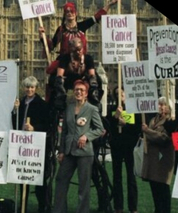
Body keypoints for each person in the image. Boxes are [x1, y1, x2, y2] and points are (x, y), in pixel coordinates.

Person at [53, 79, 104, 213]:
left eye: (82, 90)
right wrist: (61, 150)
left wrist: (86, 136)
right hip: (69, 151)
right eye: (77, 90)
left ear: (86, 93)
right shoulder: (68, 108)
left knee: (84, 185)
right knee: (60, 180)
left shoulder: (92, 109)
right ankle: (59, 210)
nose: (79, 92)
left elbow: (100, 129)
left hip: (84, 153)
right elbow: (64, 132)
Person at [39, 0, 119, 64]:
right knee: (53, 78)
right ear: (64, 14)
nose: (70, 14)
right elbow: (52, 45)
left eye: (72, 12)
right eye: (67, 12)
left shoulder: (82, 26)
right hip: (65, 61)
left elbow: (97, 16)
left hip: (81, 60)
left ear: (76, 13)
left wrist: (110, 4)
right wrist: (42, 36)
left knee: (94, 73)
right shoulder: (61, 29)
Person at [12, 76, 50, 213]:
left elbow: (47, 124)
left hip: (36, 146)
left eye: (32, 87)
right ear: (24, 88)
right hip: (22, 144)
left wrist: (34, 128)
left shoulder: (42, 104)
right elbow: (14, 122)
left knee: (38, 178)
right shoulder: (20, 103)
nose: (29, 89)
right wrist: (15, 111)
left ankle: (42, 207)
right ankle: (23, 206)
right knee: (23, 177)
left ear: (36, 88)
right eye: (27, 87)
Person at [107, 86, 140, 213]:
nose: (119, 95)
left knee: (131, 177)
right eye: (116, 94)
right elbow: (108, 127)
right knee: (117, 177)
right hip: (116, 146)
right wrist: (115, 117)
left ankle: (133, 207)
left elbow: (137, 129)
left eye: (121, 93)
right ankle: (118, 207)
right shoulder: (112, 109)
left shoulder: (134, 109)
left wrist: (125, 125)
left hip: (130, 146)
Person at [140, 96, 174, 213]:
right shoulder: (153, 120)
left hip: (163, 159)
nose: (160, 107)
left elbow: (164, 138)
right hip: (152, 159)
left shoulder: (170, 121)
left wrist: (148, 131)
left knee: (163, 190)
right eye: (159, 104)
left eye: (163, 105)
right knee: (155, 190)